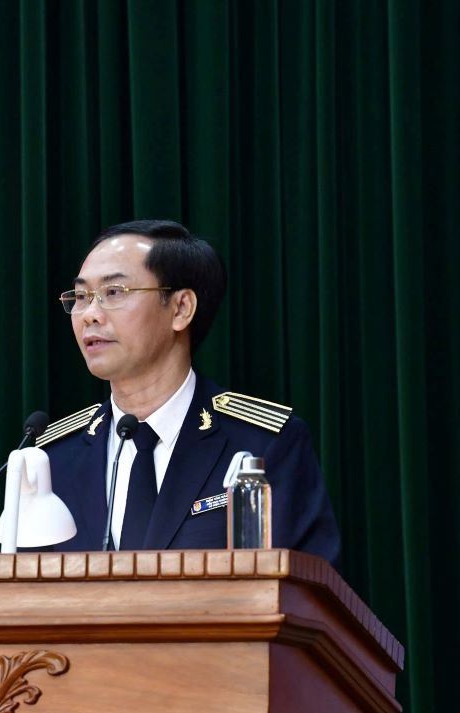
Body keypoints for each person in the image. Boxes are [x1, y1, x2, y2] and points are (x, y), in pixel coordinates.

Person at [42, 220, 341, 565]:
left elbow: (307, 589)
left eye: (114, 293)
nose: (89, 315)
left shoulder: (264, 446)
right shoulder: (54, 460)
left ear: (181, 308)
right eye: (81, 297)